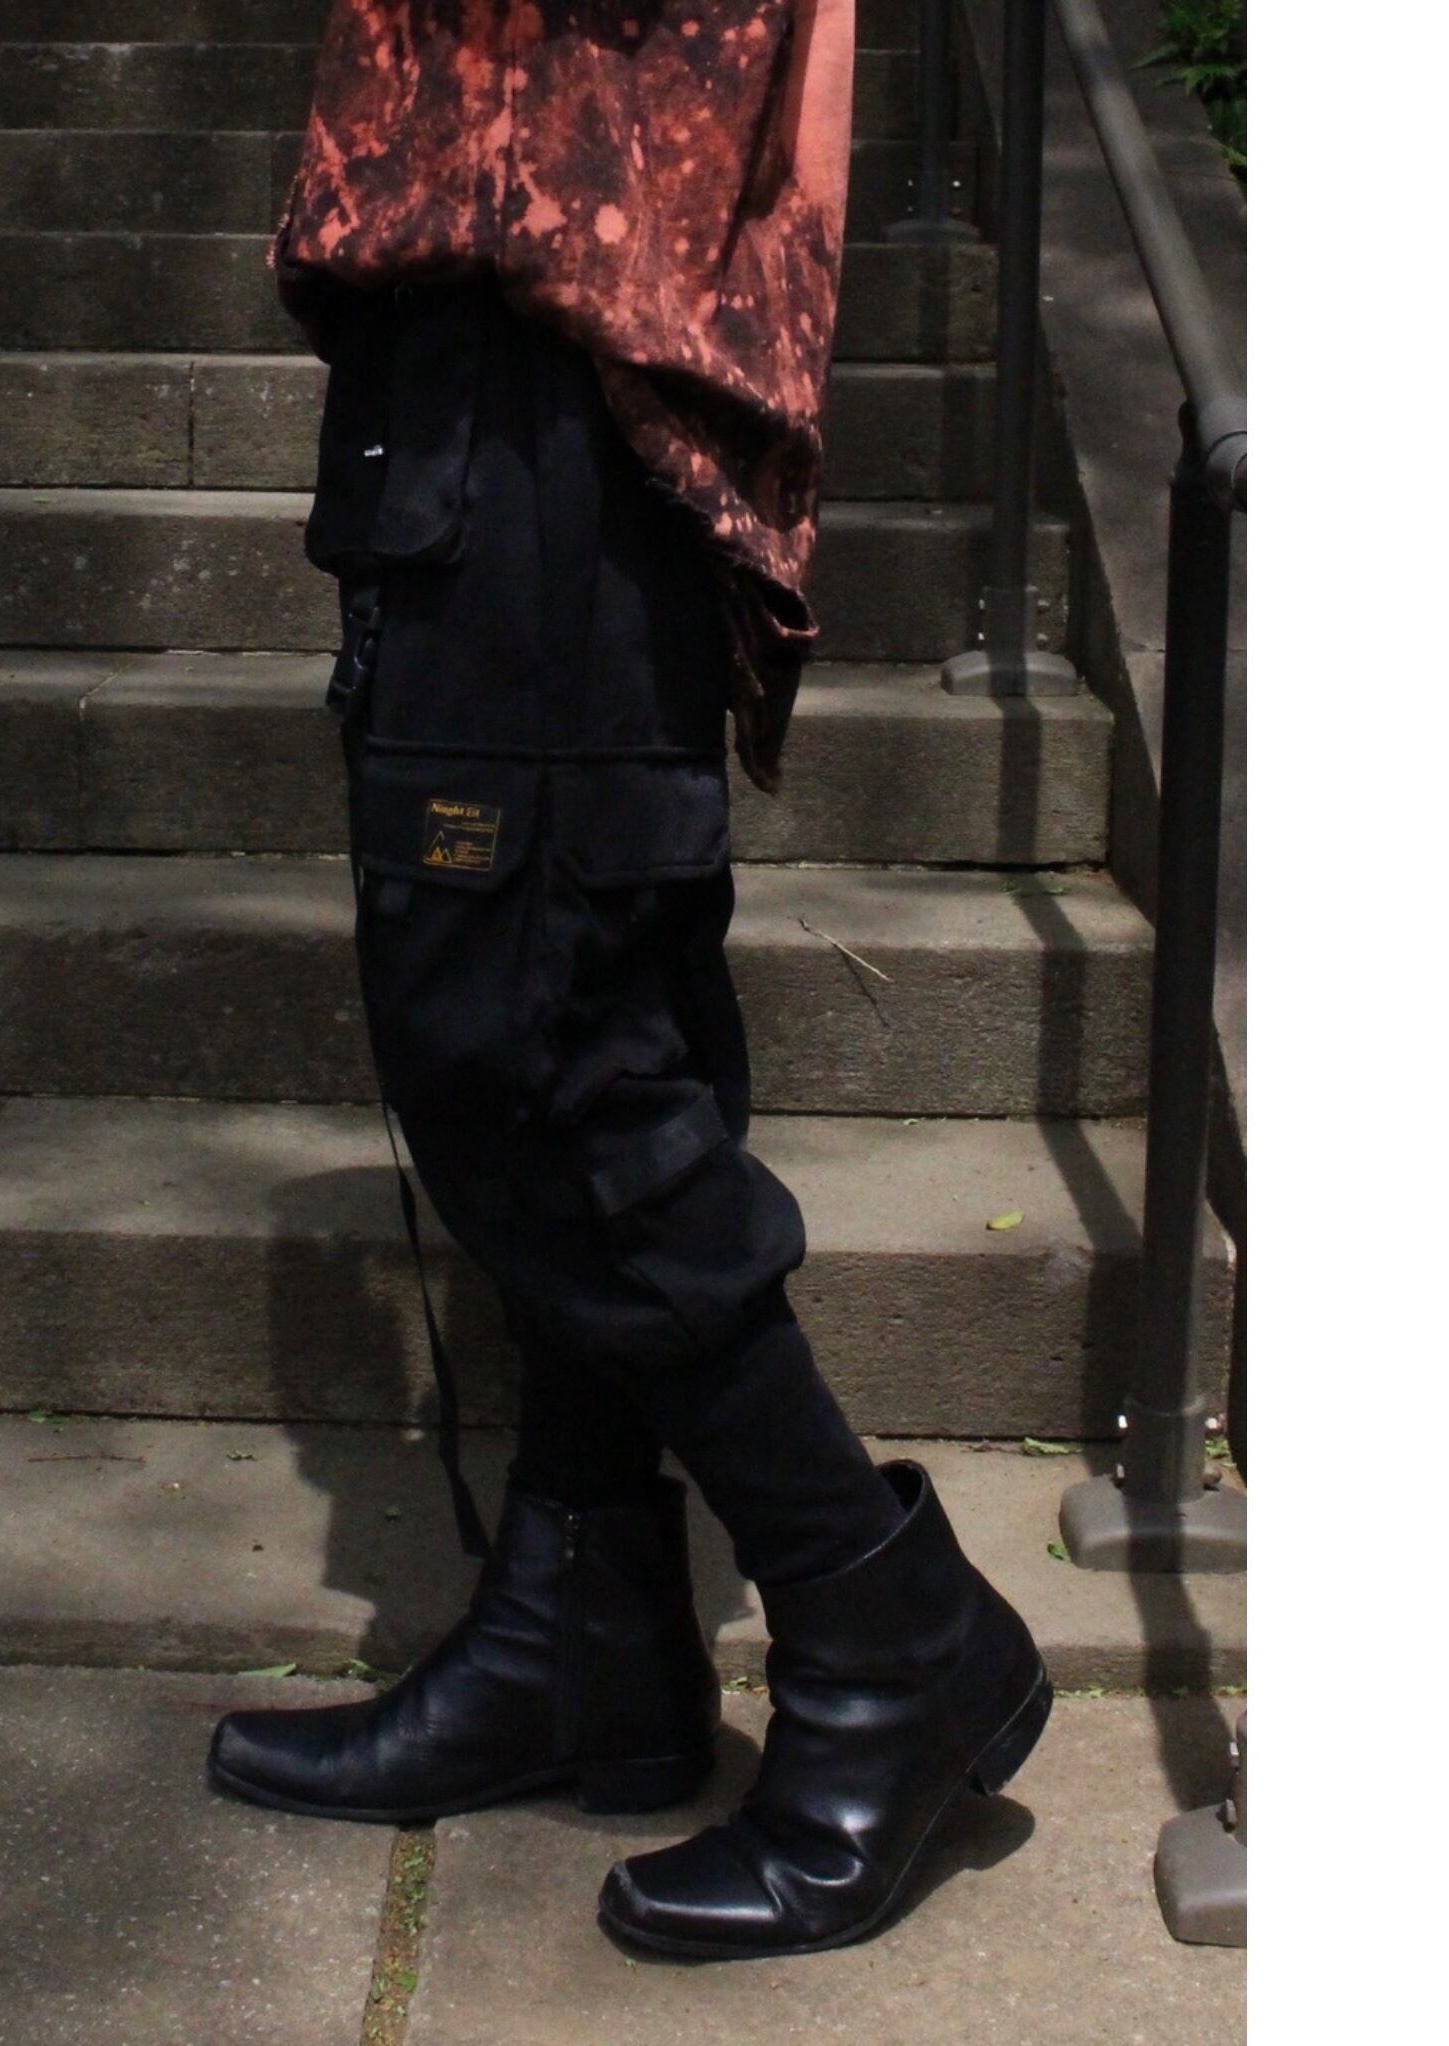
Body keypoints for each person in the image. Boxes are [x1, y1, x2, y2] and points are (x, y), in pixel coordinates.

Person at [207, 0, 1050, 1959]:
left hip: (562, 362)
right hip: (510, 365)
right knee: (579, 1020)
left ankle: (884, 1628)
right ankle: (581, 1625)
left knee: (541, 1057)